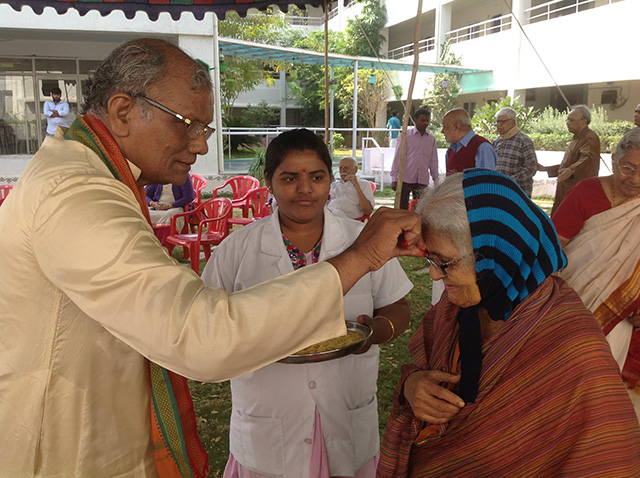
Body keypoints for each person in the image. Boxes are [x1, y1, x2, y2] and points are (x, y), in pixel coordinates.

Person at [0, 39, 426, 477]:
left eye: (204, 130)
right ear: (124, 110)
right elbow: (202, 333)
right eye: (188, 125)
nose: (200, 146)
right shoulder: (75, 193)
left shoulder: (89, 179)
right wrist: (360, 257)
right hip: (66, 451)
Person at [378, 169, 640, 478]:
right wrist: (412, 387)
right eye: (431, 261)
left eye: (444, 263)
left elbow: (603, 459)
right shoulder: (459, 310)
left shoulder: (573, 346)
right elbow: (428, 379)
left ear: (495, 253)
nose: (435, 275)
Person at [202, 128, 413, 478]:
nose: (304, 189)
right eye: (289, 178)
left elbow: (399, 307)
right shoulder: (237, 250)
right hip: (268, 417)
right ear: (268, 181)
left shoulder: (363, 240)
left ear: (330, 181)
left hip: (346, 408)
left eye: (317, 177)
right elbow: (206, 324)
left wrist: (374, 331)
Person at [552, 128, 640, 420]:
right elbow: (552, 250)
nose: (636, 178)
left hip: (625, 317)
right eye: (629, 167)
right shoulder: (587, 192)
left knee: (608, 399)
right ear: (613, 160)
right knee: (563, 383)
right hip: (572, 306)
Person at [540, 104, 600, 216]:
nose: (567, 123)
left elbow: (586, 159)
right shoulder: (577, 138)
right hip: (565, 193)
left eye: (571, 120)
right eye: (567, 119)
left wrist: (571, 170)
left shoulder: (589, 138)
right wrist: (546, 169)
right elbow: (569, 164)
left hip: (577, 196)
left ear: (584, 122)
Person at [390, 108, 439, 210]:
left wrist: (436, 180)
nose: (425, 123)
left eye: (427, 121)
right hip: (406, 178)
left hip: (422, 179)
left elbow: (433, 161)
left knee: (420, 208)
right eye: (422, 120)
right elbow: (398, 157)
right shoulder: (405, 136)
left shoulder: (431, 139)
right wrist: (394, 178)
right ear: (415, 120)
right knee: (402, 207)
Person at [492, 106, 538, 196]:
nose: (499, 125)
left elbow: (531, 168)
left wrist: (511, 179)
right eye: (497, 121)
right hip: (499, 190)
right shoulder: (497, 141)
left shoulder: (524, 140)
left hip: (518, 192)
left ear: (513, 122)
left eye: (502, 122)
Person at [442, 108, 498, 175]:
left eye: (445, 126)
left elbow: (487, 181)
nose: (442, 131)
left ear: (456, 127)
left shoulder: (482, 148)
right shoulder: (451, 150)